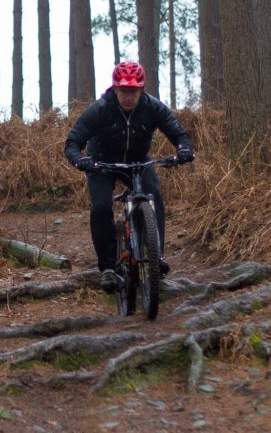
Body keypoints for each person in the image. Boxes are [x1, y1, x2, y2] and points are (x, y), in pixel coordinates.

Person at [64, 61, 194, 292]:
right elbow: (73, 141)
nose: (129, 97)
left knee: (154, 197)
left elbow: (179, 134)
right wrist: (80, 160)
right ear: (115, 88)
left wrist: (183, 150)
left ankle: (156, 257)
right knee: (101, 207)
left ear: (141, 90)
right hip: (102, 162)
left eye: (134, 91)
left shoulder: (153, 107)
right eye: (124, 91)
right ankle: (107, 268)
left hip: (138, 161)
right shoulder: (101, 108)